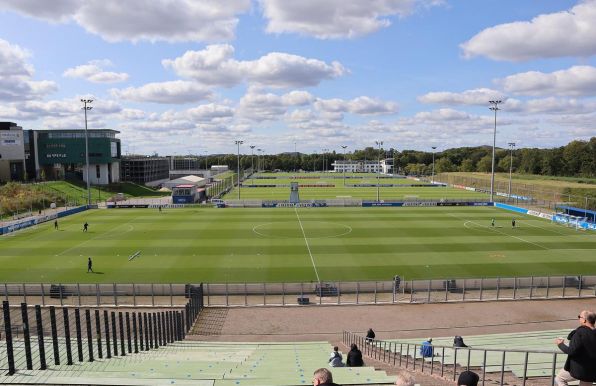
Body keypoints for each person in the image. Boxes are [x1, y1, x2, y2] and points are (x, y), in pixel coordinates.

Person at [554, 310, 596, 386]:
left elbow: (572, 351)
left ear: (584, 320)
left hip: (579, 369)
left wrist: (560, 344)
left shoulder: (580, 333)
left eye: (579, 317)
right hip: (592, 370)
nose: (579, 319)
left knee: (559, 379)